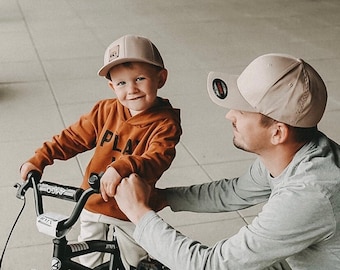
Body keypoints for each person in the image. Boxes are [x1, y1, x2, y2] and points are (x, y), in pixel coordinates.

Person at [111, 53, 340, 269]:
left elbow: (210, 265)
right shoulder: (293, 152)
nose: (229, 115)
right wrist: (161, 197)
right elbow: (235, 192)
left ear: (277, 133)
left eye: (242, 110)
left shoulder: (310, 192)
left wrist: (139, 213)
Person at [20, 34, 182, 269]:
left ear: (161, 78)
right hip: (92, 202)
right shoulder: (105, 111)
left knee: (134, 262)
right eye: (122, 83)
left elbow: (157, 158)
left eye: (140, 78)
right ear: (111, 86)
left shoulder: (165, 123)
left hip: (130, 208)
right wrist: (40, 159)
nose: (132, 89)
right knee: (86, 260)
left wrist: (122, 167)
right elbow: (72, 138)